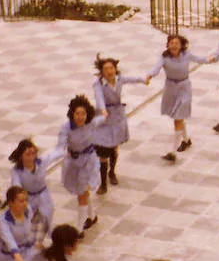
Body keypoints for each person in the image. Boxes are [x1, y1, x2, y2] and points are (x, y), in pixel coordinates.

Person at [147, 34, 209, 163]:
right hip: (170, 89)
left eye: (177, 43)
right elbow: (156, 68)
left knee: (177, 119)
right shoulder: (164, 57)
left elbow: (200, 59)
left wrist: (212, 58)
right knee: (177, 116)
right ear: (168, 45)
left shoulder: (187, 54)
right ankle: (186, 140)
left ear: (181, 45)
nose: (174, 45)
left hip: (184, 88)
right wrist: (149, 75)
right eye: (172, 43)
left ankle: (173, 152)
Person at [92, 57, 147, 192]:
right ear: (101, 71)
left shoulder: (119, 79)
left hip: (117, 115)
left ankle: (112, 171)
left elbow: (132, 79)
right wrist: (103, 109)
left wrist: (143, 80)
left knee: (114, 146)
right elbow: (99, 97)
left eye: (111, 68)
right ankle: (103, 183)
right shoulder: (98, 84)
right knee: (103, 149)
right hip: (104, 117)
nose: (109, 71)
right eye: (106, 69)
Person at [58, 95, 104, 230]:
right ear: (72, 113)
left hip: (89, 162)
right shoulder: (66, 128)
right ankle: (91, 216)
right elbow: (61, 144)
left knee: (82, 192)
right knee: (83, 191)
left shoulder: (91, 123)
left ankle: (79, 229)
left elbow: (102, 118)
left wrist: (106, 114)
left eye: (83, 114)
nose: (80, 117)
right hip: (73, 163)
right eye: (77, 113)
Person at [9, 138, 60, 242]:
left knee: (45, 221)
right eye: (28, 154)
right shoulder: (16, 171)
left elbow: (54, 155)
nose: (32, 157)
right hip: (28, 199)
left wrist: (65, 150)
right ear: (21, 156)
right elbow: (16, 185)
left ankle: (47, 245)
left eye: (33, 153)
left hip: (44, 197)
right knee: (28, 224)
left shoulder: (41, 162)